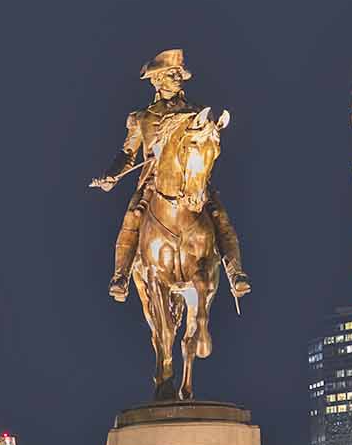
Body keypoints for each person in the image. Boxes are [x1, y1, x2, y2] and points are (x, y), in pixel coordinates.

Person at [89, 48, 250, 301]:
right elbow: (127, 153)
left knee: (219, 215)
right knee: (132, 215)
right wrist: (112, 175)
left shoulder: (196, 112)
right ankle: (121, 275)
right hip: (154, 183)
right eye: (172, 74)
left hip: (192, 181)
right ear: (158, 79)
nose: (178, 78)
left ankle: (235, 272)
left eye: (178, 74)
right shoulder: (141, 118)